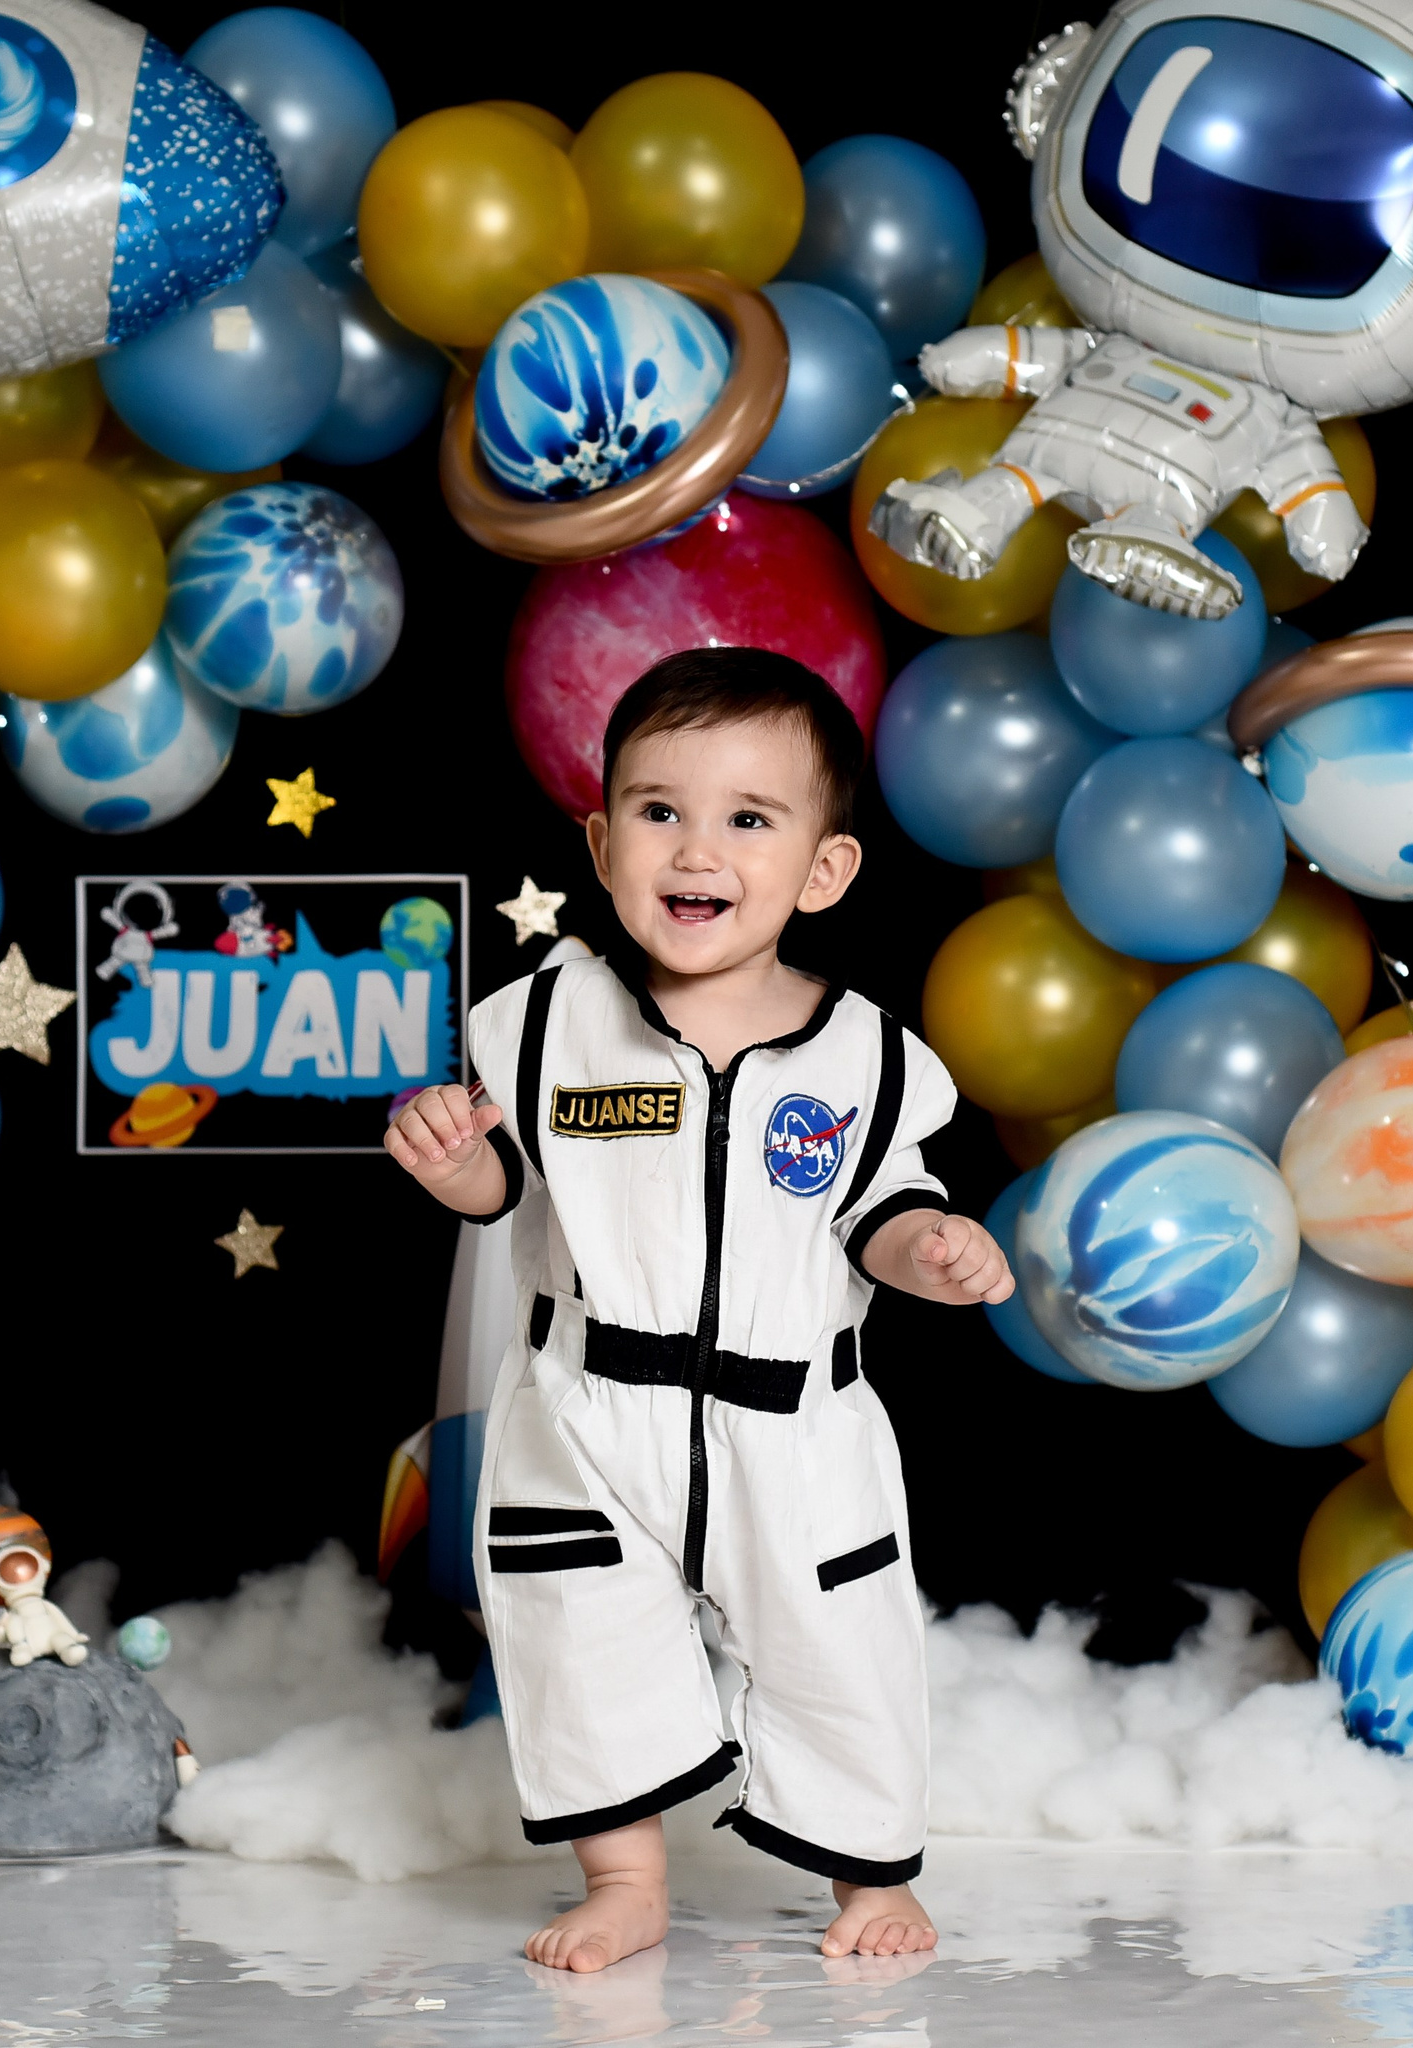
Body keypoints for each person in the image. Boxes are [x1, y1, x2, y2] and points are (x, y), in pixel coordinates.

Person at [385, 647, 1013, 1973]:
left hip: (792, 1422)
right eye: (660, 811)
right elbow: (511, 1184)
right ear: (603, 841)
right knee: (581, 1641)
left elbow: (877, 1213)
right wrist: (458, 1165)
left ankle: (868, 1877)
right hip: (586, 1409)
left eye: (748, 818)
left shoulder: (867, 1060)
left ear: (823, 871)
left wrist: (935, 1247)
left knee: (839, 1645)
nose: (696, 849)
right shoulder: (551, 1024)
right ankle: (626, 1880)